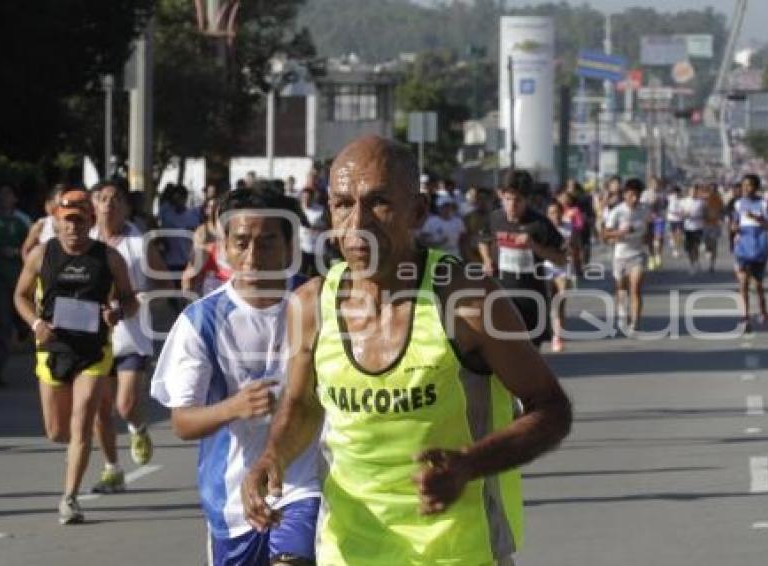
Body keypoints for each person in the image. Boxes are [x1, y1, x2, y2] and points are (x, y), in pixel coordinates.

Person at [240, 136, 572, 565]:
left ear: (416, 211)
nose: (357, 222)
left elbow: (551, 409)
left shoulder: (467, 301)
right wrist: (273, 455)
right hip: (349, 549)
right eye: (342, 204)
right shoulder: (310, 305)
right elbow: (303, 404)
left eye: (378, 202)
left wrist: (470, 465)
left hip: (459, 551)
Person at [151, 188, 320, 565]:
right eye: (241, 243)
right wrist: (233, 407)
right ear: (223, 246)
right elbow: (182, 422)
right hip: (231, 499)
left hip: (303, 482)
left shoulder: (316, 303)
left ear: (289, 246)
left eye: (268, 242)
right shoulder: (201, 322)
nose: (253, 256)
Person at [13, 188, 138, 524]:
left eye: (80, 221)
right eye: (67, 221)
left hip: (93, 351)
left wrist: (117, 311)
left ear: (90, 221)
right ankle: (75, 454)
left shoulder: (110, 259)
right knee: (57, 432)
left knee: (83, 422)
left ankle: (69, 499)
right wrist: (36, 322)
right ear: (57, 220)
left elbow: (130, 299)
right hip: (52, 348)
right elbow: (20, 296)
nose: (73, 228)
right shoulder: (41, 255)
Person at [88, 181, 168, 493]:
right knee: (99, 407)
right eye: (102, 198)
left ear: (126, 207)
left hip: (131, 333)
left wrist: (141, 297)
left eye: (115, 199)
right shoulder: (84, 240)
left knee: (125, 403)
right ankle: (112, 469)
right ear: (94, 205)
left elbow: (163, 282)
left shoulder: (138, 242)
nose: (108, 204)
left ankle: (137, 427)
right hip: (93, 336)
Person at [478, 169, 568, 346]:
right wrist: (487, 260)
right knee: (500, 349)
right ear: (500, 195)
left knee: (530, 352)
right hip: (500, 295)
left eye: (518, 200)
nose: (512, 205)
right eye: (507, 199)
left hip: (530, 298)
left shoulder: (540, 224)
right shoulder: (495, 218)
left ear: (527, 199)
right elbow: (483, 240)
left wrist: (534, 246)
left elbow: (562, 259)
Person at [604, 179, 650, 333]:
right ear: (624, 195)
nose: (634, 199)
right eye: (631, 195)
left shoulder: (645, 210)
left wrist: (649, 244)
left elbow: (648, 229)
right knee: (621, 288)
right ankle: (622, 314)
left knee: (635, 287)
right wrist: (620, 233)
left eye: (637, 195)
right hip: (621, 255)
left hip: (638, 254)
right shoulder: (617, 211)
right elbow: (605, 234)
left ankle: (635, 322)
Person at [0, 184, 29, 384]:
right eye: (0, 195)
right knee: (2, 323)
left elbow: (30, 247)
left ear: (15, 199)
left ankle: (23, 328)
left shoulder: (22, 220)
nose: (3, 198)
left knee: (12, 324)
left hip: (17, 281)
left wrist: (18, 252)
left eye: (7, 195)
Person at [732, 174, 768, 332]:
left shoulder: (764, 204)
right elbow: (734, 223)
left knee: (758, 285)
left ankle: (762, 308)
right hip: (743, 247)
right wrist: (734, 228)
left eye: (748, 185)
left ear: (756, 187)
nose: (745, 188)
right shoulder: (738, 204)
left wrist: (755, 217)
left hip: (759, 247)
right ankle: (744, 318)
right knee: (743, 283)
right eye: (743, 185)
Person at [545, 197, 582, 352]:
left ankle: (557, 337)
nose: (556, 216)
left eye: (558, 212)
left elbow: (576, 247)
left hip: (563, 268)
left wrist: (579, 266)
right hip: (546, 267)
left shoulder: (569, 227)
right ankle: (548, 329)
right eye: (552, 213)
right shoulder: (542, 227)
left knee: (560, 300)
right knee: (547, 302)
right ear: (547, 215)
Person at [182, 195, 232, 296]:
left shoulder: (249, 255)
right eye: (221, 219)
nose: (225, 224)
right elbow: (187, 283)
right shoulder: (206, 250)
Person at [21, 184, 65, 260]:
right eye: (60, 200)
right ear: (51, 202)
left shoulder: (76, 224)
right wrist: (33, 268)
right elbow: (26, 250)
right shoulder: (41, 225)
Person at [418, 193, 466, 259]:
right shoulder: (431, 221)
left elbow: (463, 239)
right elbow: (422, 240)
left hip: (454, 253)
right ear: (439, 207)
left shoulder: (458, 221)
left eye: (449, 206)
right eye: (444, 206)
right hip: (435, 253)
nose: (447, 208)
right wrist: (436, 244)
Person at [298, 187, 327, 277]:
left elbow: (328, 226)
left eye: (308, 198)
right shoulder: (298, 209)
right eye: (304, 198)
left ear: (313, 198)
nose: (306, 200)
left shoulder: (321, 210)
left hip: (317, 250)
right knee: (300, 276)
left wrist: (315, 228)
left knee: (316, 277)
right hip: (302, 249)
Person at [666, 185, 685, 258]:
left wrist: (683, 213)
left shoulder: (682, 199)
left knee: (680, 235)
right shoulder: (670, 198)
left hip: (680, 220)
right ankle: (675, 250)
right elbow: (670, 210)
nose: (676, 194)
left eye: (677, 192)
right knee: (673, 236)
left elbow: (684, 208)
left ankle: (676, 248)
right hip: (672, 219)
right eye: (674, 192)